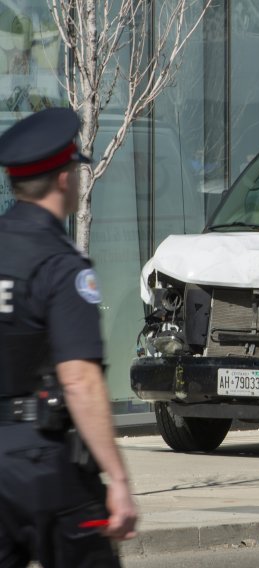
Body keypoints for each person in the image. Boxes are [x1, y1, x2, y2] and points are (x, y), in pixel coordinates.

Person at [0, 108, 137, 567]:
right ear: (63, 179)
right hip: (45, 466)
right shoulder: (61, 267)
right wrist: (117, 478)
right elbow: (79, 381)